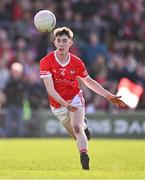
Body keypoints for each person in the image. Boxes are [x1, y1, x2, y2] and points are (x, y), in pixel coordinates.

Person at [39, 27, 126, 170]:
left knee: (76, 127)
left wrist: (108, 95)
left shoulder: (76, 62)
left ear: (70, 43)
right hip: (58, 105)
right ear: (55, 43)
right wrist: (65, 105)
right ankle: (85, 127)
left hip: (74, 97)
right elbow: (50, 90)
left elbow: (89, 81)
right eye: (59, 41)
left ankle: (84, 160)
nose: (61, 44)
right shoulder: (46, 62)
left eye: (64, 41)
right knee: (77, 134)